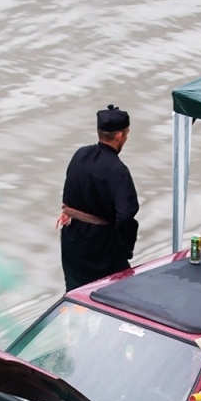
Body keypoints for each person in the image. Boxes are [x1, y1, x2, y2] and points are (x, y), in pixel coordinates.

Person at [57, 104, 140, 291]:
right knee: (115, 291)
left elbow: (68, 196)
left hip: (72, 239)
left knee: (77, 291)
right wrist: (125, 249)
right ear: (119, 135)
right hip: (102, 247)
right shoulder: (117, 169)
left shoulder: (80, 155)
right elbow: (125, 216)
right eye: (126, 134)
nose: (125, 138)